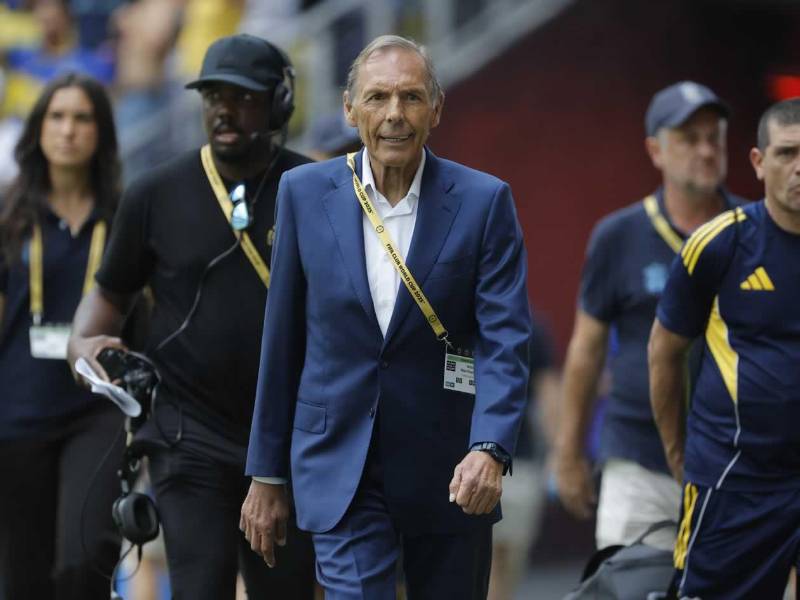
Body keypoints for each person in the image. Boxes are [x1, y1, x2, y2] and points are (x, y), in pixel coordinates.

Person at [240, 34, 532, 599]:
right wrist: (266, 473)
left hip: (452, 467)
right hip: (340, 465)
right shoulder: (304, 192)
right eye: (377, 98)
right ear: (350, 109)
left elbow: (504, 339)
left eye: (411, 97)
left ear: (436, 109)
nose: (394, 115)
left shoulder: (484, 200)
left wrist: (490, 447)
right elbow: (282, 341)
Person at [67, 34, 316, 600]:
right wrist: (81, 342)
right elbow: (106, 297)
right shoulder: (154, 192)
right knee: (199, 588)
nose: (224, 109)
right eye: (212, 95)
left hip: (285, 442)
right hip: (189, 437)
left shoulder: (314, 189)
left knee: (286, 594)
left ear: (279, 103)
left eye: (243, 96)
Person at [553, 81, 746, 551]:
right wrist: (569, 450)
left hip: (739, 461)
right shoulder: (618, 235)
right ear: (655, 150)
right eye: (687, 139)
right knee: (630, 583)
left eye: (713, 138)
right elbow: (587, 349)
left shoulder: (754, 230)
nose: (704, 151)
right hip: (638, 457)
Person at [649, 97, 800, 599]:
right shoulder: (718, 245)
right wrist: (678, 454)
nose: (798, 168)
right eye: (786, 153)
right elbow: (664, 353)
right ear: (759, 163)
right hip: (735, 481)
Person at [0, 72, 123, 599]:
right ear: (38, 128)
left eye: (81, 117)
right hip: (17, 413)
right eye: (56, 116)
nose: (68, 130)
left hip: (96, 408)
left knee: (85, 558)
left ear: (100, 131)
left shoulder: (123, 215)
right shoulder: (8, 215)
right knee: (24, 580)